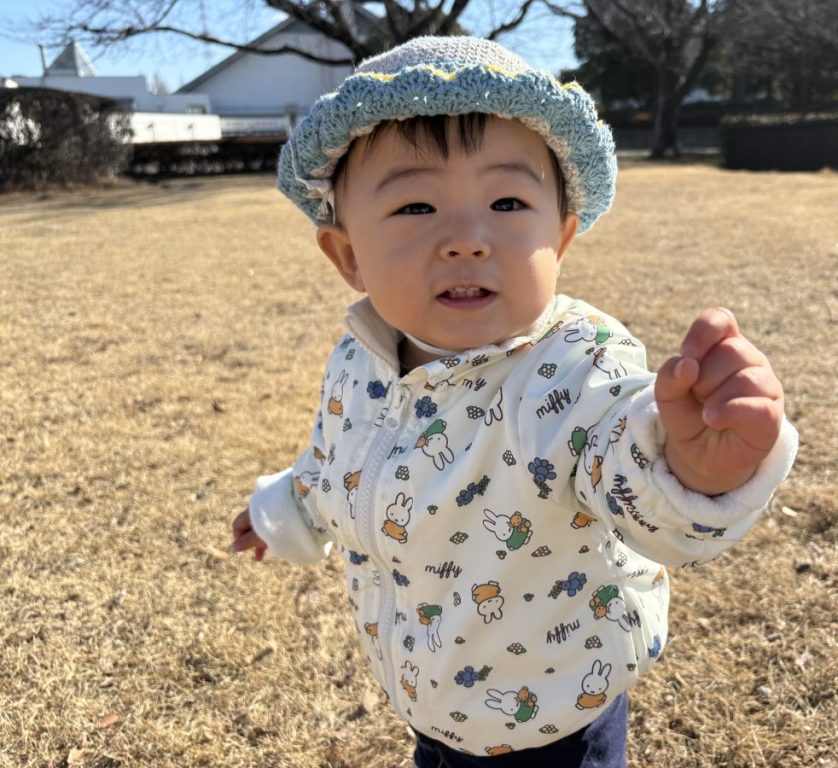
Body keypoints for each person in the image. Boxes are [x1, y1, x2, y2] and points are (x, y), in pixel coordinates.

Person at [230, 35, 799, 767]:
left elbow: (627, 459)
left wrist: (695, 466)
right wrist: (286, 506)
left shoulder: (572, 368)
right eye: (415, 206)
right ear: (348, 256)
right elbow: (341, 458)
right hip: (432, 695)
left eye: (506, 201)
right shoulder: (359, 358)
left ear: (559, 239)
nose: (467, 240)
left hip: (550, 719)